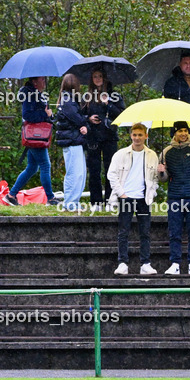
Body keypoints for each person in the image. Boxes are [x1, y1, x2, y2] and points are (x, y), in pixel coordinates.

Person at [158, 121, 190, 275]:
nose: (183, 133)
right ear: (174, 132)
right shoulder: (166, 151)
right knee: (174, 232)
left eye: (185, 130)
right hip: (174, 197)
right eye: (180, 130)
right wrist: (161, 171)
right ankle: (175, 263)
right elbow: (164, 179)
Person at [108, 123, 159, 275]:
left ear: (146, 136)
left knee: (145, 232)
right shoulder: (121, 154)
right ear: (131, 136)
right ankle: (123, 263)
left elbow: (155, 178)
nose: (137, 138)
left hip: (143, 199)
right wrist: (122, 194)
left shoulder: (152, 155)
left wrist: (152, 191)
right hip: (126, 198)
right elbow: (112, 175)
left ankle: (145, 263)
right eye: (134, 135)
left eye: (140, 135)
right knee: (124, 231)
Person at [5, 76, 59, 206]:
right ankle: (50, 198)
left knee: (32, 168)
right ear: (35, 82)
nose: (45, 82)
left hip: (35, 136)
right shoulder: (30, 94)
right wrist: (44, 115)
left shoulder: (36, 94)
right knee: (45, 166)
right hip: (36, 136)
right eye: (42, 80)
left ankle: (11, 195)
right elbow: (27, 114)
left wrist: (50, 115)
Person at [84, 69, 125, 208]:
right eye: (95, 76)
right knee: (94, 170)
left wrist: (108, 104)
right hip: (93, 138)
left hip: (109, 137)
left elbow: (121, 115)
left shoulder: (114, 95)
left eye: (100, 76)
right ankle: (96, 201)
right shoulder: (87, 96)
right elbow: (80, 116)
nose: (97, 79)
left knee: (111, 169)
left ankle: (110, 199)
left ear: (105, 78)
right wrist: (88, 119)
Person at [55, 73, 89, 211]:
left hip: (73, 140)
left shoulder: (67, 100)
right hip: (72, 141)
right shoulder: (68, 101)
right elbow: (77, 118)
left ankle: (73, 201)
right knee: (75, 173)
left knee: (78, 172)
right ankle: (70, 202)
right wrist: (86, 122)